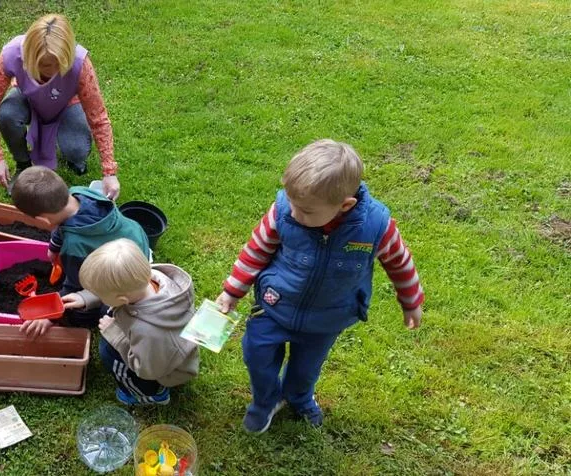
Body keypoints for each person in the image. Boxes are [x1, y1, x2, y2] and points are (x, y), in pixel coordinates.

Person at [215, 139, 426, 432]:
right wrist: (232, 291)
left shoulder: (376, 227)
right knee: (256, 355)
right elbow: (256, 249)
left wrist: (411, 301)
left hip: (327, 317)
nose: (295, 214)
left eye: (307, 211)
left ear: (345, 205)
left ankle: (299, 398)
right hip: (275, 305)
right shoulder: (284, 212)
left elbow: (400, 263)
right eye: (292, 203)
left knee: (305, 370)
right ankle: (265, 401)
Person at [0, 13, 121, 199]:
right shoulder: (11, 53)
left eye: (56, 64)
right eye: (41, 64)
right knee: (7, 114)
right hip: (27, 98)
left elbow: (99, 118)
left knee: (77, 152)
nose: (48, 71)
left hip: (66, 104)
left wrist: (109, 172)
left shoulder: (80, 64)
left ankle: (69, 148)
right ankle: (23, 165)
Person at [10, 166, 148, 336]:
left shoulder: (75, 248)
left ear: (42, 220)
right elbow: (63, 226)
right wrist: (54, 247)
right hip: (135, 238)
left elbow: (74, 287)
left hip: (124, 273)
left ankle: (87, 318)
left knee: (95, 303)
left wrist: (49, 316)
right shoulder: (80, 193)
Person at [63, 239, 199, 405]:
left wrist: (117, 337)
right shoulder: (150, 280)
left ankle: (149, 394)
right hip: (161, 351)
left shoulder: (149, 331)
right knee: (107, 311)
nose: (95, 293)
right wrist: (85, 297)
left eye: (96, 292)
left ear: (122, 299)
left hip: (162, 369)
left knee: (108, 351)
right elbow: (113, 290)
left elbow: (147, 370)